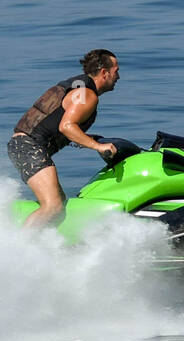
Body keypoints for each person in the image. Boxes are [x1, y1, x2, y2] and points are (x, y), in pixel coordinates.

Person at [8, 49, 120, 228]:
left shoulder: (78, 85)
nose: (118, 77)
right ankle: (17, 249)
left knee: (59, 203)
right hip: (29, 147)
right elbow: (66, 127)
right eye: (116, 71)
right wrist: (97, 147)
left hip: (23, 145)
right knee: (53, 207)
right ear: (104, 73)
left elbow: (58, 121)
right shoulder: (87, 94)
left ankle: (49, 243)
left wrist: (87, 138)